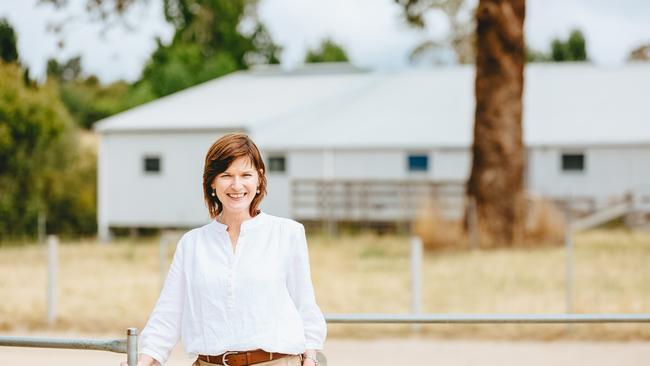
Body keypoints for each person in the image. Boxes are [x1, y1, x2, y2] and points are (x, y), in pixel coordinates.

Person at [122, 133, 326, 366]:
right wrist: (144, 360)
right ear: (212, 182)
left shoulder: (287, 233)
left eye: (246, 175)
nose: (236, 185)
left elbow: (305, 306)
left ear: (259, 179)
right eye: (226, 175)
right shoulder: (192, 244)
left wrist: (310, 359)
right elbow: (168, 314)